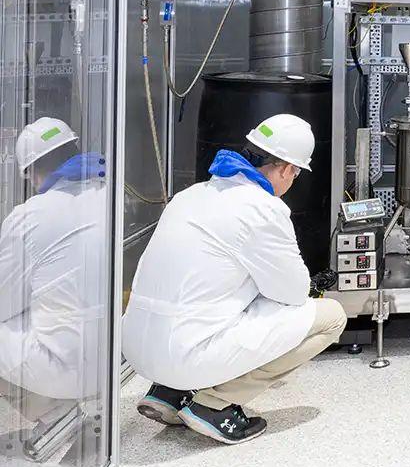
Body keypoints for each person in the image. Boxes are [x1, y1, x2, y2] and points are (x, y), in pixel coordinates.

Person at [122, 114, 345, 444]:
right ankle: (215, 404)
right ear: (285, 169)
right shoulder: (263, 208)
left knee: (221, 297)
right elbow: (294, 293)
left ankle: (170, 393)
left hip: (138, 349)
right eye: (296, 173)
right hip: (185, 355)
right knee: (331, 317)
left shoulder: (192, 194)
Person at [0, 118, 108, 448]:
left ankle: (53, 413)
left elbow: (3, 302)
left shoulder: (31, 215)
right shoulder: (110, 196)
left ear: (32, 172)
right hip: (114, 356)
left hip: (68, 367)